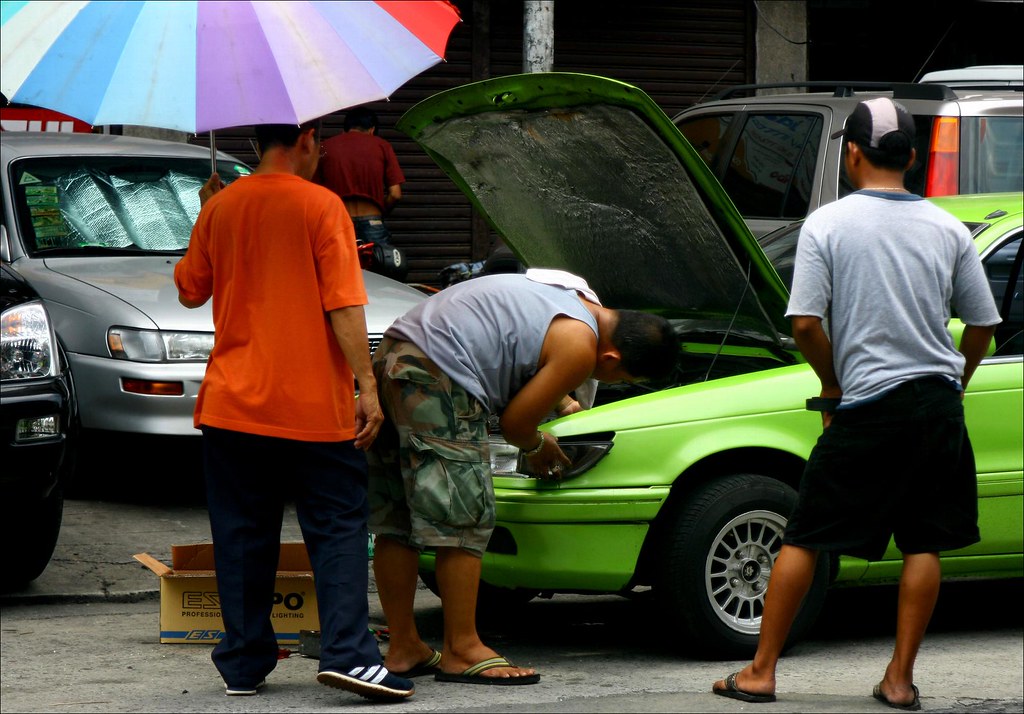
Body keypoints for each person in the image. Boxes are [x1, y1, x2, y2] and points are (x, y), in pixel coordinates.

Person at [711, 97, 1001, 710]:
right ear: (914, 158)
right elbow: (982, 325)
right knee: (922, 543)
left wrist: (834, 380)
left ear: (852, 153)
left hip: (867, 405)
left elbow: (806, 325)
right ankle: (899, 679)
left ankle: (761, 672)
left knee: (805, 535)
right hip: (935, 406)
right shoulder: (948, 227)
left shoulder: (829, 224)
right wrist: (960, 380)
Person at [174, 120, 415, 702]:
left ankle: (243, 663)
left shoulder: (222, 206)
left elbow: (189, 289)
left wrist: (206, 215)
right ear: (305, 138)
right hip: (311, 405)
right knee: (335, 528)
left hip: (233, 403)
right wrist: (367, 385)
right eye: (321, 146)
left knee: (241, 533)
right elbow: (344, 303)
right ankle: (352, 657)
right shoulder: (322, 205)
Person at [367, 270, 678, 685]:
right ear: (613, 360)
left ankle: (405, 645)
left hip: (395, 354)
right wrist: (537, 445)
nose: (608, 381)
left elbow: (510, 350)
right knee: (467, 516)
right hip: (437, 371)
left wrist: (553, 404)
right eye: (622, 380)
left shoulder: (573, 300)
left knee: (398, 518)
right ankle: (461, 648)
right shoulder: (582, 346)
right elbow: (515, 426)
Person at [315, 106, 407, 280]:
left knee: (339, 278)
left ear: (345, 129)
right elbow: (395, 193)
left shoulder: (325, 148)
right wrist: (380, 212)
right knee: (382, 282)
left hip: (339, 223)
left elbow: (316, 192)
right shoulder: (382, 146)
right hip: (373, 222)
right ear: (372, 129)